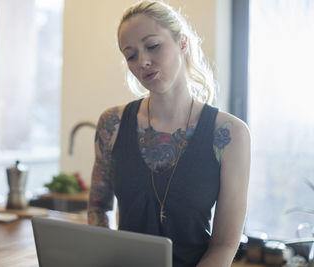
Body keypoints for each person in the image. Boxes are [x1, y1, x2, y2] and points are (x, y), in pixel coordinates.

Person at [87, 1, 250, 266]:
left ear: (182, 42)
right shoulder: (112, 123)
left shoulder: (231, 134)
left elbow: (225, 244)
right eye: (131, 55)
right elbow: (98, 208)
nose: (143, 62)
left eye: (152, 46)